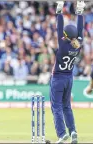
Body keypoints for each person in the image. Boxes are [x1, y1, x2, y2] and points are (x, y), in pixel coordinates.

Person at [50, 1, 85, 143]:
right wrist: (80, 13)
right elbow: (80, 30)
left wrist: (59, 13)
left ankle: (62, 134)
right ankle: (73, 132)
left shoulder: (63, 44)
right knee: (67, 107)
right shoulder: (78, 45)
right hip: (69, 78)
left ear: (66, 36)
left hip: (58, 79)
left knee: (56, 107)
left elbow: (59, 28)